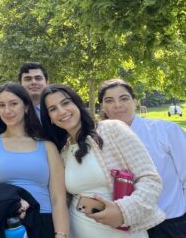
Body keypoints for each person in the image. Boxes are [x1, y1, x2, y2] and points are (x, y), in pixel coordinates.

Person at [40, 84, 165, 237]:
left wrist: (123, 211)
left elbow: (150, 179)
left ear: (77, 104)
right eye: (53, 109)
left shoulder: (111, 129)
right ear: (50, 119)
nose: (61, 111)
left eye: (66, 103)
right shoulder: (63, 152)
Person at [0, 82, 69, 238]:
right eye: (1, 105)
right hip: (7, 222)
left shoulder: (48, 146)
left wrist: (62, 234)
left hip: (44, 222)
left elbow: (58, 199)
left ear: (26, 107)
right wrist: (13, 202)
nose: (7, 110)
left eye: (13, 104)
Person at [98, 79, 186, 237]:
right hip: (127, 227)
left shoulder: (166, 131)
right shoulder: (98, 141)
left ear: (135, 101)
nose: (117, 105)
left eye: (124, 98)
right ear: (102, 107)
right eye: (109, 100)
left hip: (169, 222)